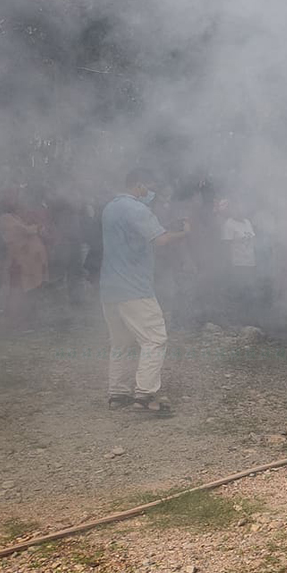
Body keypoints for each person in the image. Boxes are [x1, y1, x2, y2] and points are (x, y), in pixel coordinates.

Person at [100, 168, 190, 414]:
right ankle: (146, 394)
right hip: (134, 288)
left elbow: (135, 236)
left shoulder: (110, 208)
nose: (151, 192)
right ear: (138, 185)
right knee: (154, 338)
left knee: (120, 342)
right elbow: (160, 239)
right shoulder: (137, 208)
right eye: (148, 186)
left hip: (109, 288)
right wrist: (184, 233)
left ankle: (118, 394)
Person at [0, 190, 48, 332]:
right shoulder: (6, 218)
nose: (16, 202)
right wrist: (37, 228)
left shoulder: (15, 216)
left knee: (29, 291)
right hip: (18, 262)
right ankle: (17, 323)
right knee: (18, 292)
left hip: (29, 263)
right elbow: (24, 230)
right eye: (12, 200)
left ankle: (28, 320)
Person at [220, 199, 258, 325]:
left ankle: (248, 319)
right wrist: (229, 265)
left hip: (250, 262)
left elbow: (252, 240)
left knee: (249, 291)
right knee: (239, 292)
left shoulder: (247, 222)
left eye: (242, 207)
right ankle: (237, 321)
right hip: (237, 264)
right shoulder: (229, 224)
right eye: (237, 208)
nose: (240, 210)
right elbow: (226, 246)